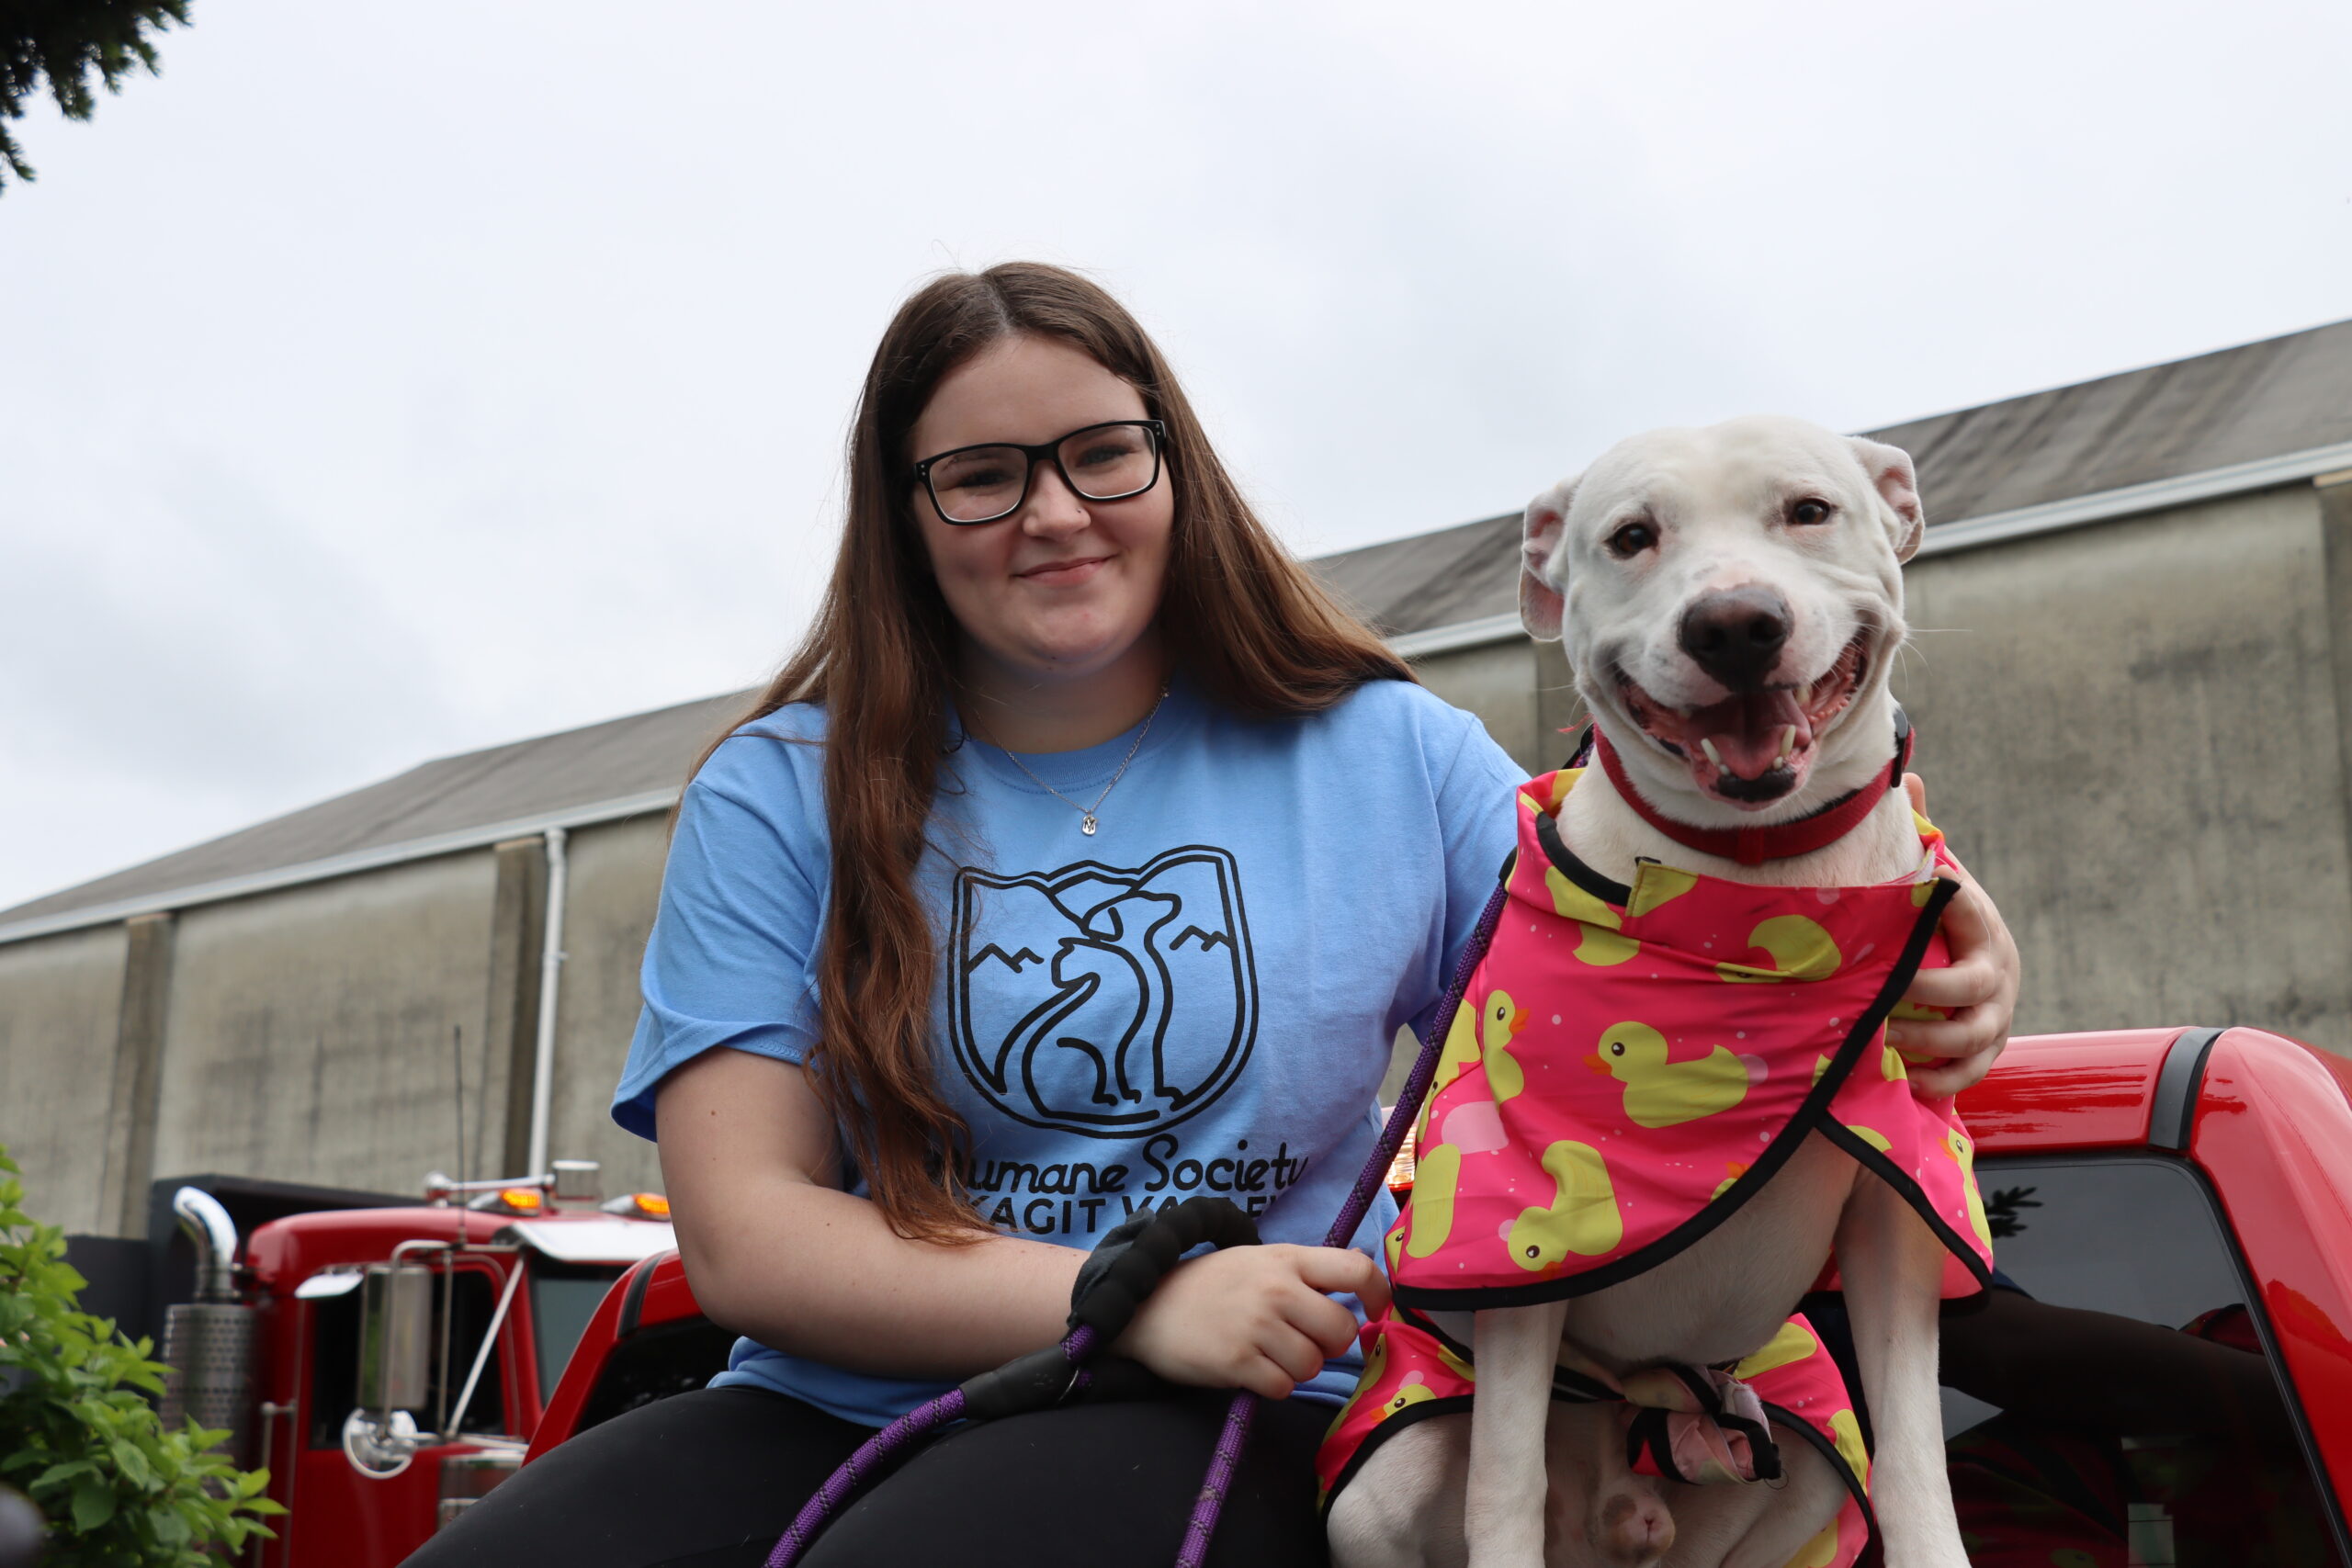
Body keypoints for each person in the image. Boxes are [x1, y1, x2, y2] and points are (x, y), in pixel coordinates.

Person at [407, 262, 2018, 1568]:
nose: (1053, 511)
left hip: (1267, 1388)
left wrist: (1953, 934)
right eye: (979, 476)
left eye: (1102, 453)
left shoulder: (1393, 754)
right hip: (834, 1394)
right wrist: (1136, 1293)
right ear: (903, 515)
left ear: (1174, 464)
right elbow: (749, 1239)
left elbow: (1660, 980)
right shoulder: (780, 791)